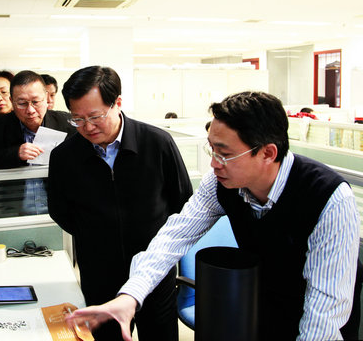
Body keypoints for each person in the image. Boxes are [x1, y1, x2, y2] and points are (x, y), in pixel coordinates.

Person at [66, 91, 361, 341]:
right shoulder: (221, 182)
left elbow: (324, 311)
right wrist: (130, 296)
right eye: (212, 149)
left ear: (268, 153)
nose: (214, 163)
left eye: (224, 154)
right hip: (258, 308)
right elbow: (174, 236)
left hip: (315, 323)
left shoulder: (330, 199)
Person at [48, 66, 193, 341]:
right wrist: (96, 236)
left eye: (95, 116)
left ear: (118, 103)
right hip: (99, 274)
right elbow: (60, 210)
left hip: (154, 270)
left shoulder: (157, 143)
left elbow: (181, 201)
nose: (87, 127)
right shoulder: (65, 157)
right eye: (77, 119)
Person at [0, 70, 75, 170]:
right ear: (12, 101)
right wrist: (15, 154)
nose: (30, 110)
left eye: (36, 102)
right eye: (22, 103)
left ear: (46, 98)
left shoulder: (66, 122)